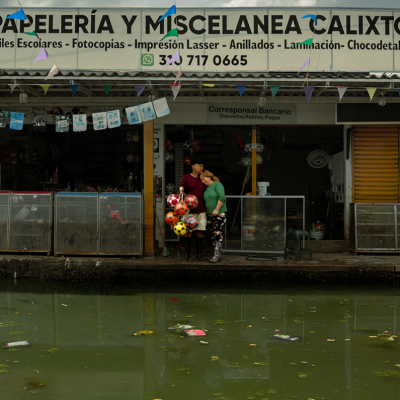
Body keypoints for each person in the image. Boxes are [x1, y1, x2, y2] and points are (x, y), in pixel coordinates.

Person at [179, 158, 207, 261]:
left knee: (200, 231)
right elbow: (181, 189)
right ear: (193, 167)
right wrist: (181, 193)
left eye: (202, 166)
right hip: (188, 210)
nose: (202, 168)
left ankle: (199, 255)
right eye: (200, 166)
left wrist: (211, 175)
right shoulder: (186, 177)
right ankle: (187, 255)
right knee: (188, 231)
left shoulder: (203, 178)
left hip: (201, 209)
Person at [200, 170, 227, 263]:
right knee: (212, 234)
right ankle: (216, 255)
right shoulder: (206, 188)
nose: (203, 181)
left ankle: (217, 256)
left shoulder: (217, 184)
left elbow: (221, 197)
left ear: (209, 177)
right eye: (201, 180)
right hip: (210, 215)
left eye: (204, 179)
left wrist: (216, 209)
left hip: (219, 213)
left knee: (217, 233)